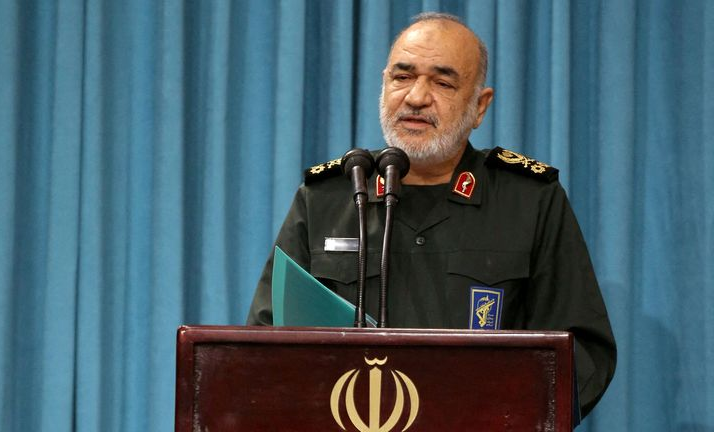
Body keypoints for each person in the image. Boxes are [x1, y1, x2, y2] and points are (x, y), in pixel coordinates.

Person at [246, 12, 616, 418]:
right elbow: (266, 339)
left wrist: (500, 417)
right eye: (402, 77)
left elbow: (582, 352)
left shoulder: (529, 200)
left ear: (479, 106)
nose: (416, 97)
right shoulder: (328, 197)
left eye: (442, 83)